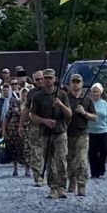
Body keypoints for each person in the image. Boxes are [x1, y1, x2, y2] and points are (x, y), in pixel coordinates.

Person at [29, 68, 72, 200]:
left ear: (54, 79)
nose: (47, 80)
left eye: (49, 78)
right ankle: (53, 187)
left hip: (60, 132)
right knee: (49, 161)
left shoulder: (62, 95)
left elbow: (69, 114)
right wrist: (44, 121)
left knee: (61, 160)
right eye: (45, 78)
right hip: (45, 133)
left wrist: (61, 105)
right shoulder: (38, 96)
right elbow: (32, 115)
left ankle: (62, 187)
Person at [64, 74, 96, 196]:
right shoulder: (65, 98)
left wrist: (84, 113)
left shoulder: (87, 99)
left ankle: (81, 185)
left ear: (82, 84)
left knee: (82, 160)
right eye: (73, 81)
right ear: (70, 84)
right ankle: (71, 181)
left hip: (82, 134)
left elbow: (94, 117)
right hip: (67, 134)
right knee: (69, 160)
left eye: (78, 82)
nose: (76, 84)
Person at [19, 70, 44, 184]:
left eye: (41, 79)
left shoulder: (55, 91)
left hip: (51, 127)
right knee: (35, 152)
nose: (40, 81)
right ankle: (38, 176)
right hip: (35, 126)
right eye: (37, 80)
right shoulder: (32, 93)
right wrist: (20, 125)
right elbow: (26, 109)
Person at [88, 82, 107, 179]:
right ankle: (94, 172)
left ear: (100, 93)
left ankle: (101, 165)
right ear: (91, 92)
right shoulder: (88, 103)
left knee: (104, 150)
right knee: (92, 153)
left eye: (97, 92)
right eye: (93, 91)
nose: (95, 93)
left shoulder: (105, 104)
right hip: (91, 131)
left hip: (103, 131)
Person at [2, 86, 28, 177]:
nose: (24, 95)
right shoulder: (15, 103)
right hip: (13, 130)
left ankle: (27, 169)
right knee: (14, 149)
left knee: (26, 149)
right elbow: (7, 116)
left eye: (26, 93)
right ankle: (15, 168)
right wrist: (4, 128)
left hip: (26, 130)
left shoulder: (30, 105)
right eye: (23, 93)